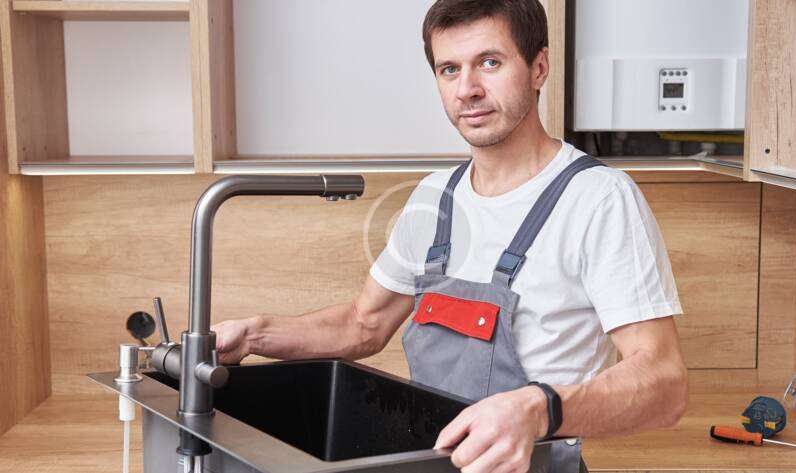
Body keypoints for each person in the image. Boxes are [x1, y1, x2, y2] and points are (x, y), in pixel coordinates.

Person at [212, 1, 688, 472]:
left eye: (490, 62)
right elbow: (363, 324)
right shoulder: (434, 197)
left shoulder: (598, 198)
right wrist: (254, 334)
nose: (467, 90)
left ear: (539, 67)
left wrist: (538, 409)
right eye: (449, 69)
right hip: (431, 463)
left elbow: (664, 384)